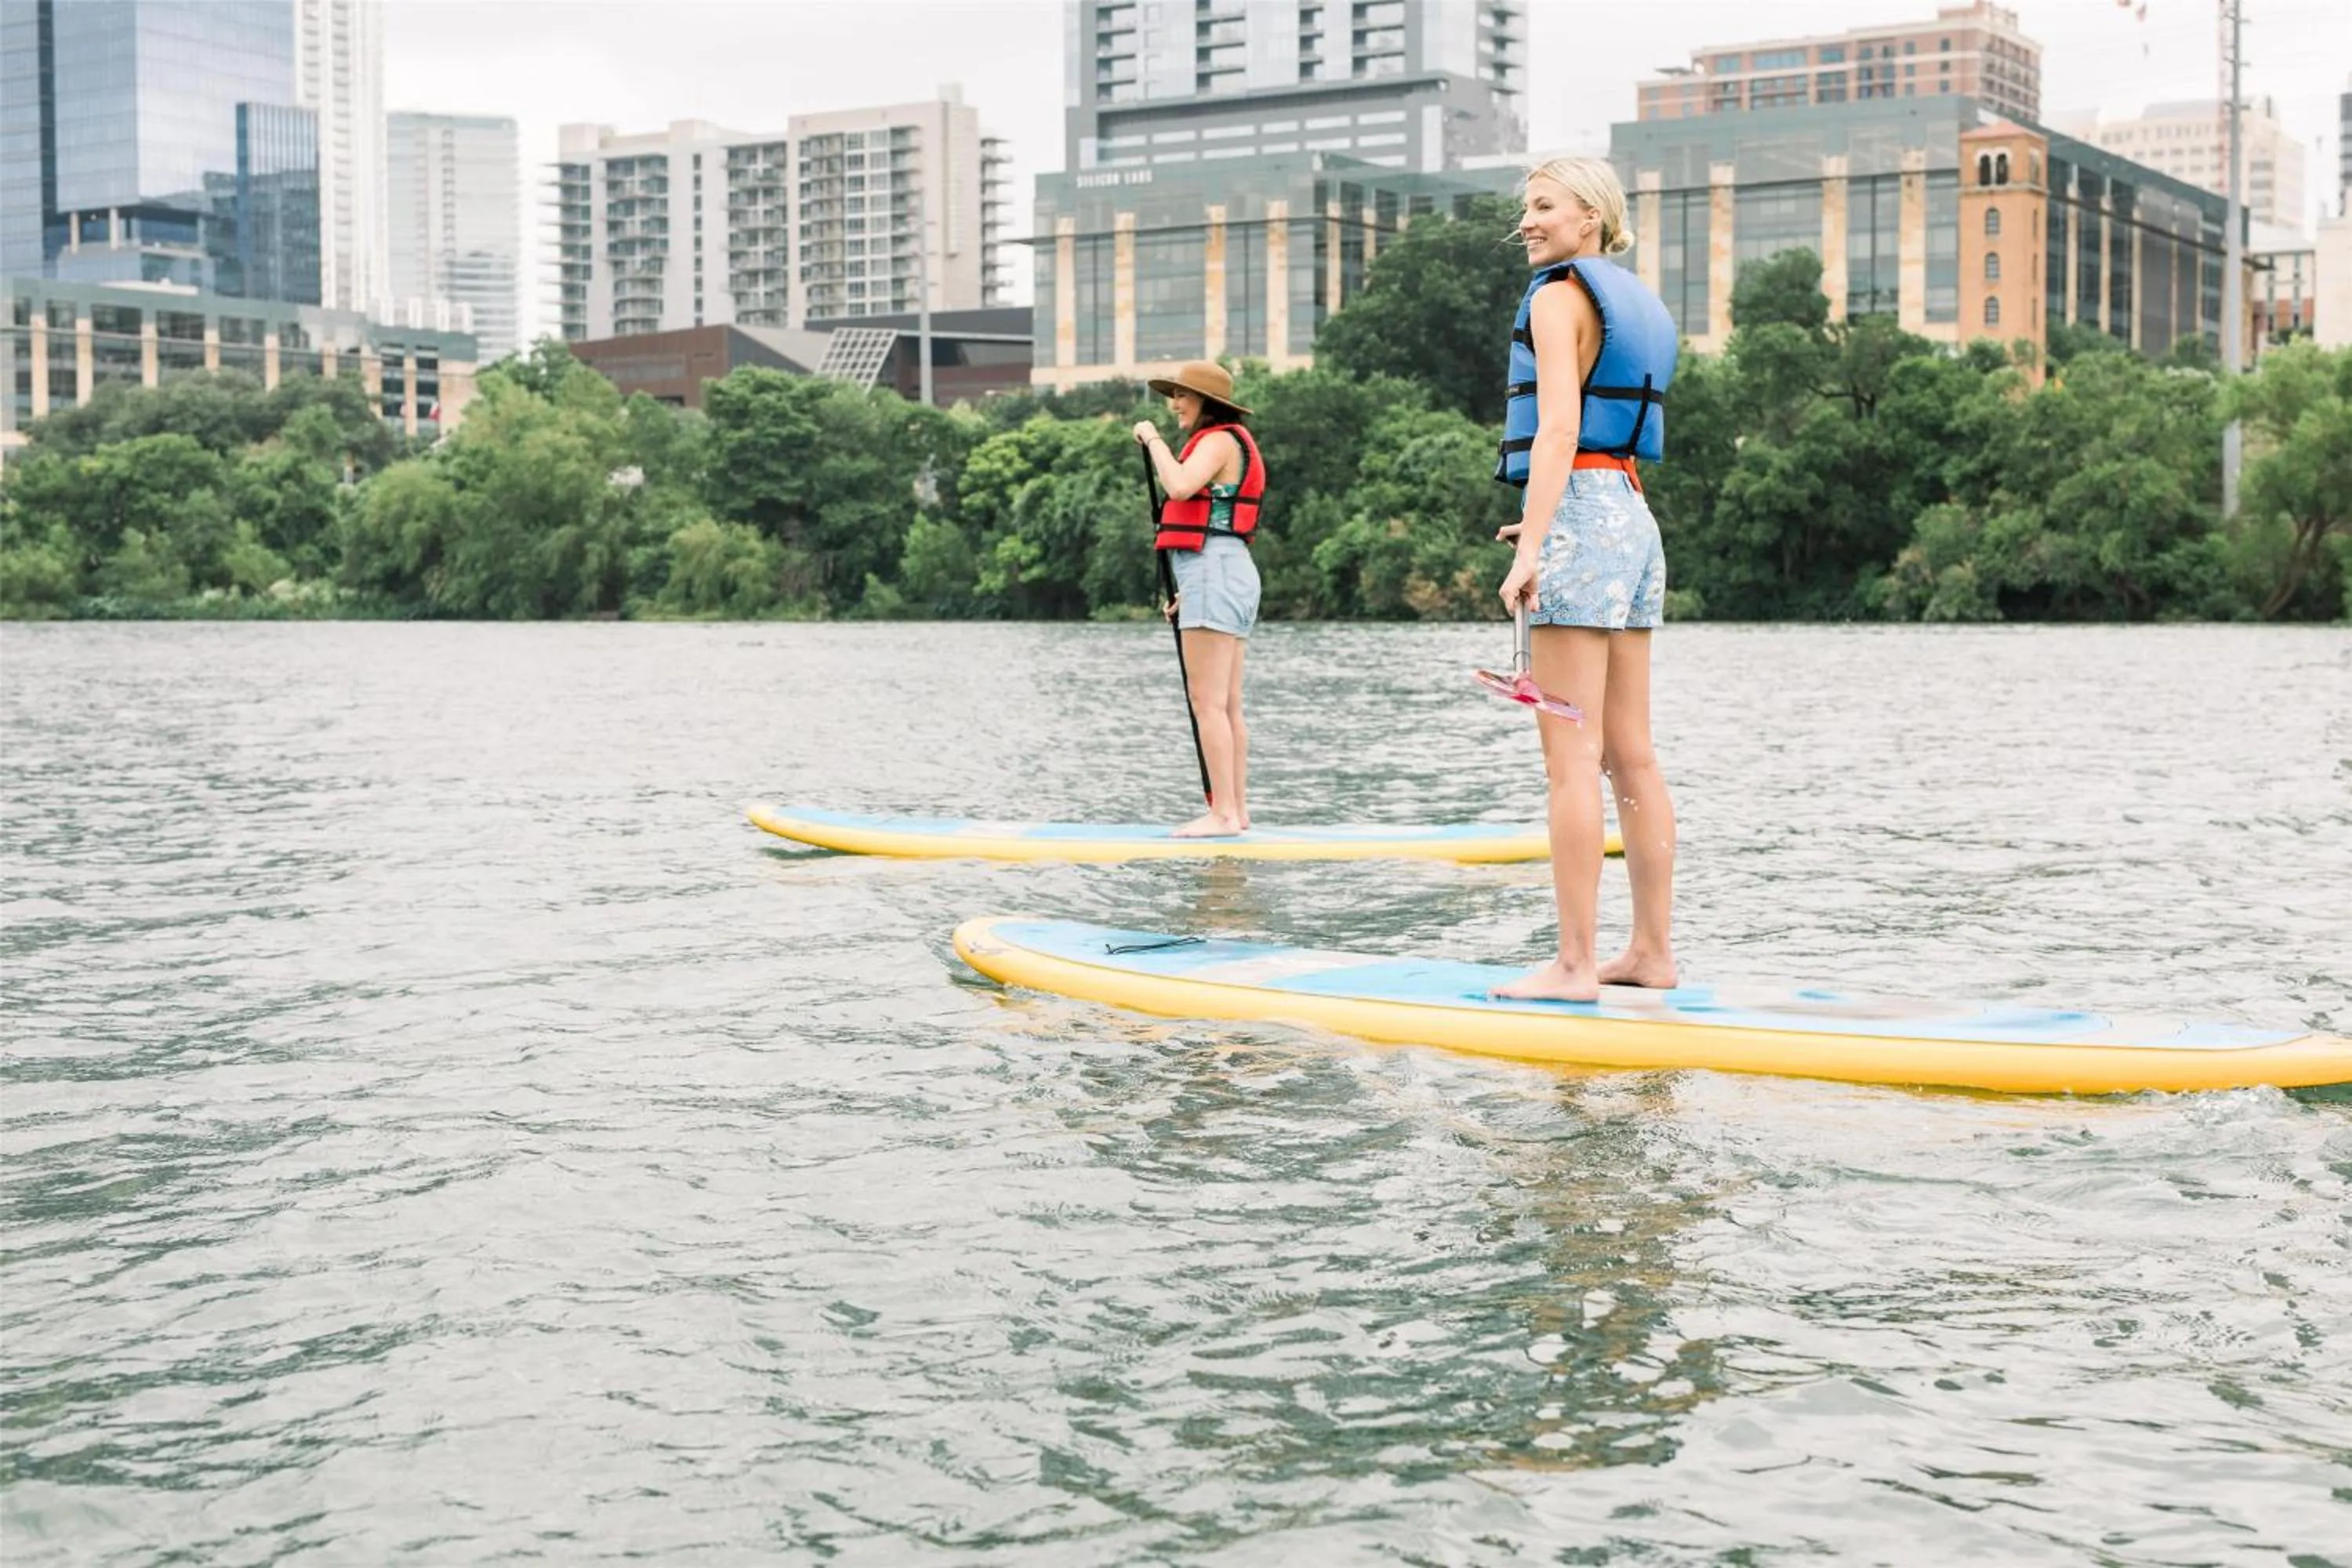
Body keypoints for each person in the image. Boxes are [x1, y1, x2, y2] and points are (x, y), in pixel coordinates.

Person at [1490, 156, 1681, 1003]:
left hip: (1582, 516)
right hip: (1630, 516)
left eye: (1543, 206)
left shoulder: (1555, 297)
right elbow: (1595, 446)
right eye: (1525, 207)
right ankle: (1650, 952)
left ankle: (1573, 965)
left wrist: (1536, 545)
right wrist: (1543, 525)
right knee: (1630, 753)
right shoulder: (1631, 297)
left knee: (1571, 760)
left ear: (1589, 217)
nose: (1527, 221)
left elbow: (1559, 427)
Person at [1134, 360, 1265, 838]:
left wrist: (1152, 441)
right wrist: (1190, 591)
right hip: (1224, 572)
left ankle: (1224, 815)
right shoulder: (1229, 442)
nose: (1174, 406)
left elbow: (1181, 485)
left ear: (1206, 402)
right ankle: (1237, 812)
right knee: (1226, 704)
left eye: (1182, 396)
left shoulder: (1216, 440)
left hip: (1216, 571)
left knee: (1207, 703)